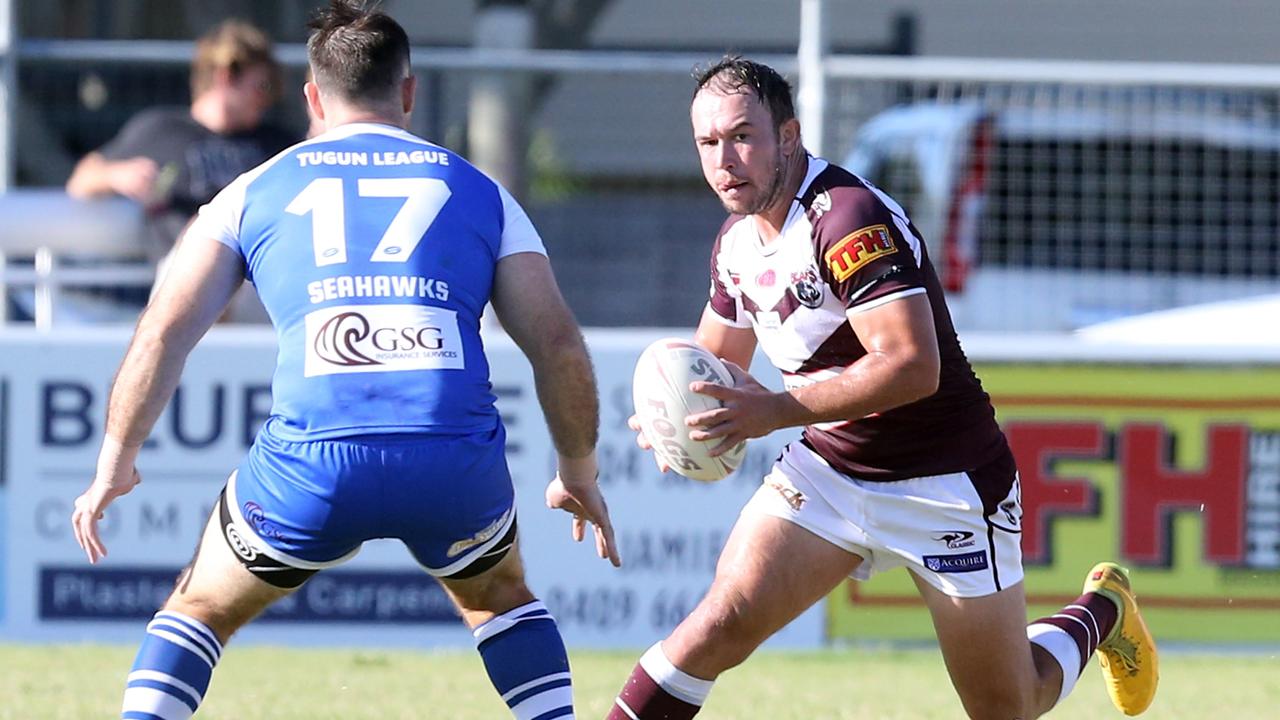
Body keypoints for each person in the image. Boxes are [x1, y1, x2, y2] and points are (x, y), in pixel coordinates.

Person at [70, 2, 620, 719]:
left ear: (311, 97)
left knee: (199, 607)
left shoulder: (253, 190)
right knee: (499, 599)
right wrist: (577, 473)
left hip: (313, 460)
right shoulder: (481, 191)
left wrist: (116, 457)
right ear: (410, 91)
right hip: (449, 459)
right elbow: (556, 345)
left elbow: (163, 331)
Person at [609, 57, 1158, 719]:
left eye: (743, 136)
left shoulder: (845, 218)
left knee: (1008, 703)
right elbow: (714, 368)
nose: (725, 159)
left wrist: (774, 411)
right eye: (708, 143)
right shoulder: (735, 244)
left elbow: (908, 366)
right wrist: (676, 416)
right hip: (830, 474)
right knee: (714, 629)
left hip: (945, 481)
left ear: (788, 136)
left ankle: (1103, 611)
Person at [65, 18, 295, 320]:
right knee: (208, 236)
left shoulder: (275, 142)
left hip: (257, 276)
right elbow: (81, 180)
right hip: (187, 276)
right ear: (226, 76)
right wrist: (115, 174)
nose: (269, 98)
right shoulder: (161, 131)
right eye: (263, 85)